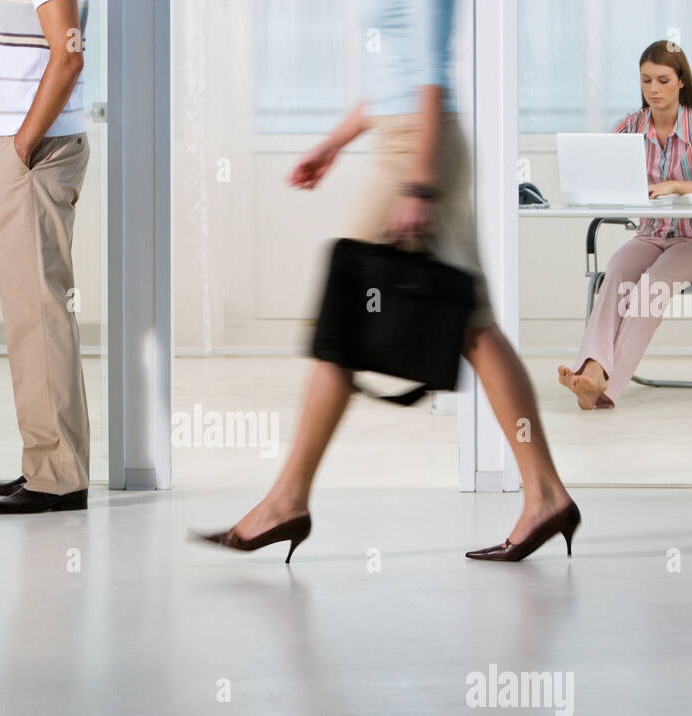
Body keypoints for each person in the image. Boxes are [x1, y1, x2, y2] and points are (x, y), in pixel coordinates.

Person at [195, 0, 578, 563]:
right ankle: (545, 494)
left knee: (342, 322)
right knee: (472, 326)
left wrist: (419, 184)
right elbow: (393, 76)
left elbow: (431, 75)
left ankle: (286, 502)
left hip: (416, 153)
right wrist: (334, 142)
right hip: (406, 142)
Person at [558, 41, 692, 410]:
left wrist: (677, 186)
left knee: (649, 289)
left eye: (663, 80)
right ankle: (592, 367)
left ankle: (604, 385)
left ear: (681, 81)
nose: (654, 89)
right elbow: (601, 172)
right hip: (651, 234)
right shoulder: (630, 126)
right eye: (646, 80)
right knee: (616, 276)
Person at [0, 0, 93, 515]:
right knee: (32, 314)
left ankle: (57, 477)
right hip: (37, 144)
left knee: (40, 315)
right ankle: (46, 464)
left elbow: (68, 56)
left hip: (36, 149)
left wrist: (23, 143)